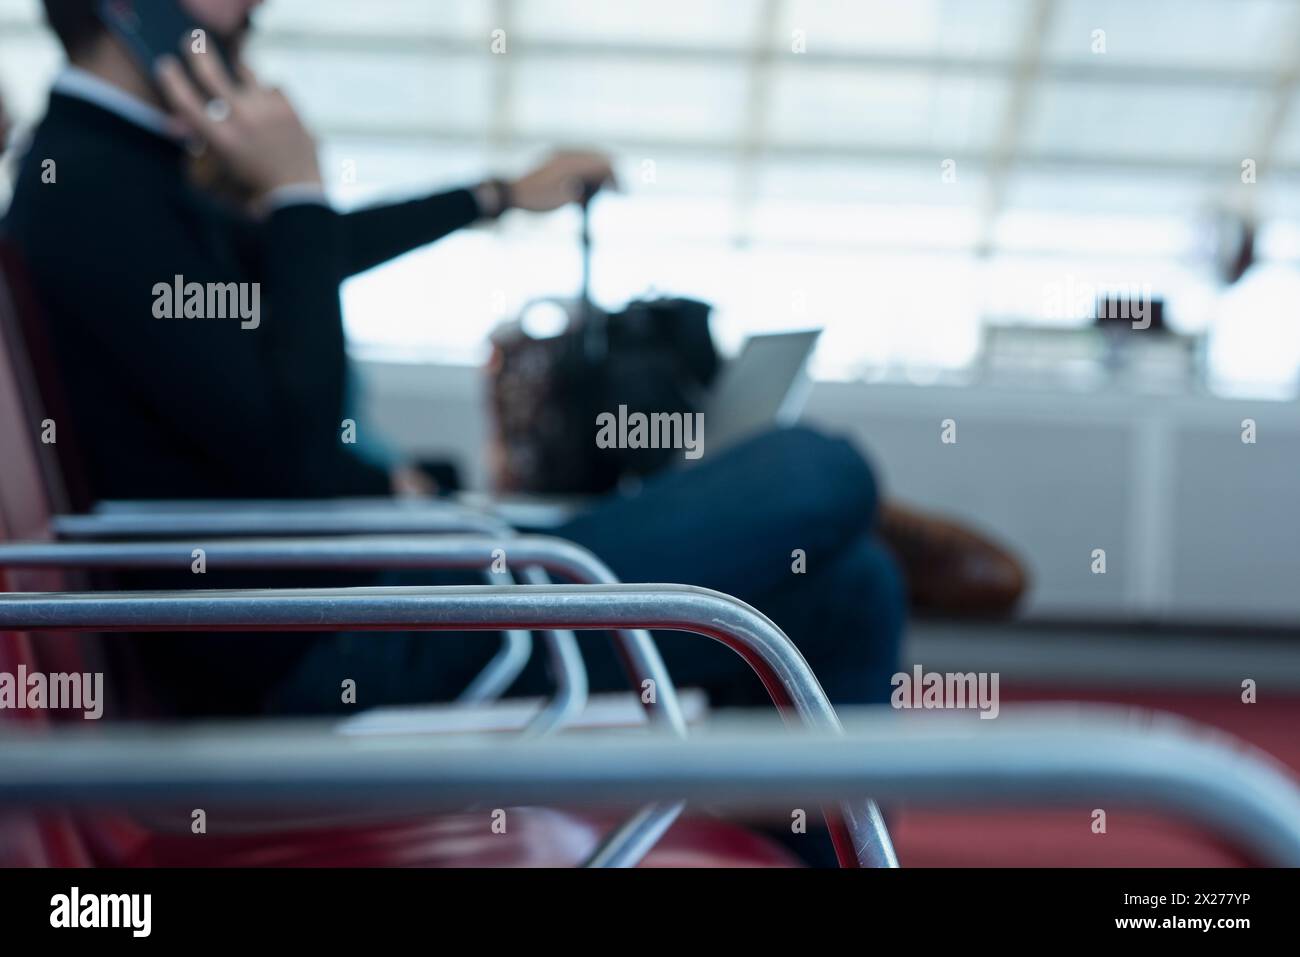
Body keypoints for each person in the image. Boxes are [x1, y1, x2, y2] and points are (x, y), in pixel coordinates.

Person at [2, 1, 1019, 728]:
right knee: (818, 469)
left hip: (364, 600)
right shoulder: (88, 199)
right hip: (319, 660)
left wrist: (491, 196)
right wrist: (297, 192)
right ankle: (811, 499)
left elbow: (287, 288)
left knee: (851, 588)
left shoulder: (114, 176)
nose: (252, 10)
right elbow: (294, 437)